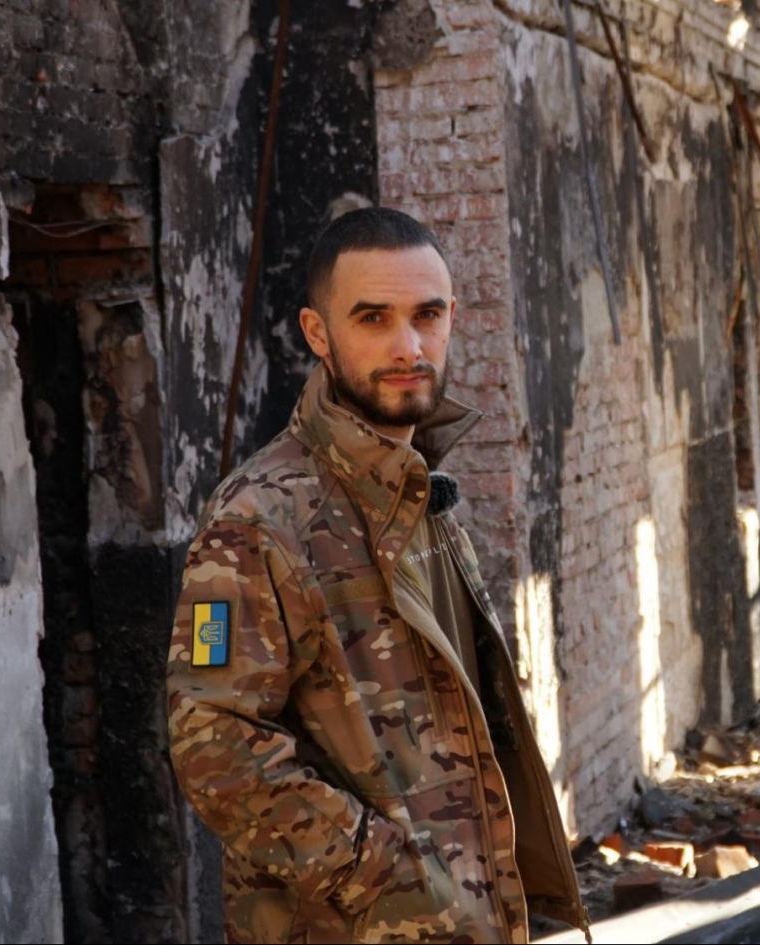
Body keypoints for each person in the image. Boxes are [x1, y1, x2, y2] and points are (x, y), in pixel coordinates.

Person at [167, 208, 587, 944]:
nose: (407, 346)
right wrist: (390, 876)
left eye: (427, 315)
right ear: (317, 332)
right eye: (373, 318)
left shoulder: (416, 487)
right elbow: (214, 745)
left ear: (453, 316)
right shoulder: (259, 520)